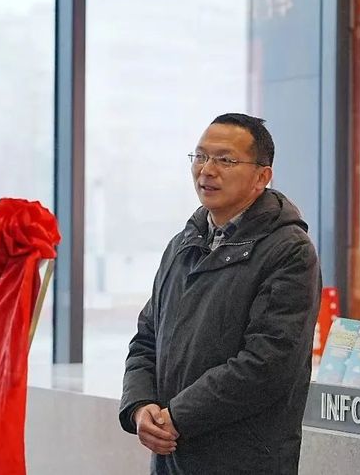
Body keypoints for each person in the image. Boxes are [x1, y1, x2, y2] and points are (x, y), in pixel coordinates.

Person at [119, 113, 322, 474]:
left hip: (244, 459)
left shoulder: (289, 250)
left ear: (262, 177)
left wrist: (178, 415)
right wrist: (140, 405)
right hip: (173, 456)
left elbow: (267, 363)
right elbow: (147, 339)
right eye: (200, 156)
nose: (207, 170)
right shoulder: (182, 245)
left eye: (225, 160)